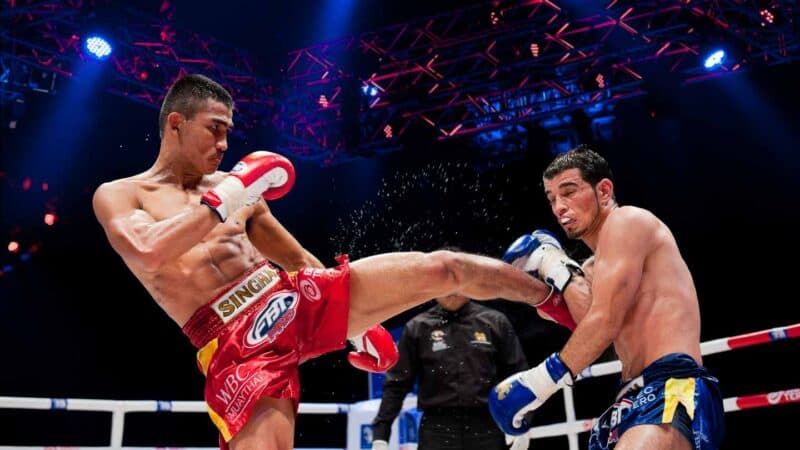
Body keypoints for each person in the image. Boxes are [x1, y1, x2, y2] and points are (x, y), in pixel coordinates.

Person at [91, 74, 555, 450]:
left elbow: (296, 259)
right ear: (175, 123)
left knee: (446, 267)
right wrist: (230, 194)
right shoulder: (123, 194)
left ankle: (554, 294)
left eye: (229, 131)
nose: (224, 143)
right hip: (234, 339)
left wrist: (357, 327)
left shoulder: (237, 186)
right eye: (214, 128)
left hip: (288, 297)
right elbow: (149, 250)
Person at [489, 146, 725, 449]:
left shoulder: (628, 221)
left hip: (671, 384)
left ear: (603, 190)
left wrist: (537, 384)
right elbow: (582, 323)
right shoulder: (592, 268)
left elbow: (604, 323)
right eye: (551, 199)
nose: (559, 206)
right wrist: (554, 269)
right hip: (629, 395)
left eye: (569, 192)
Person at [370, 288, 528, 450]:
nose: (452, 290)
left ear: (468, 284)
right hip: (436, 429)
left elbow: (519, 376)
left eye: (456, 282)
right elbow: (397, 383)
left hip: (487, 425)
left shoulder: (494, 322)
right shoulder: (418, 328)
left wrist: (523, 421)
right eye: (446, 283)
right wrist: (381, 434)